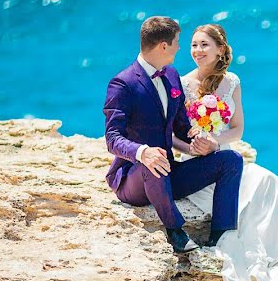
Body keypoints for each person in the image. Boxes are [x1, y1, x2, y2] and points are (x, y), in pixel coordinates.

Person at [179, 23, 278, 281]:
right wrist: (194, 146)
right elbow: (172, 133)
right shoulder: (183, 84)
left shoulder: (232, 82)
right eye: (193, 45)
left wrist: (215, 142)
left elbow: (237, 129)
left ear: (220, 49)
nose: (197, 51)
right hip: (195, 162)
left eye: (204, 45)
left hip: (222, 155)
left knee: (267, 180)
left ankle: (277, 256)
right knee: (240, 189)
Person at [103, 16, 244, 253]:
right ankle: (175, 231)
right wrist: (142, 152)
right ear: (164, 46)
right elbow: (112, 138)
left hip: (169, 174)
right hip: (134, 179)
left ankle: (220, 235)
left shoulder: (169, 75)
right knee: (153, 159)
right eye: (178, 42)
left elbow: (180, 124)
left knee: (231, 160)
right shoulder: (123, 84)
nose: (181, 48)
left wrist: (198, 141)